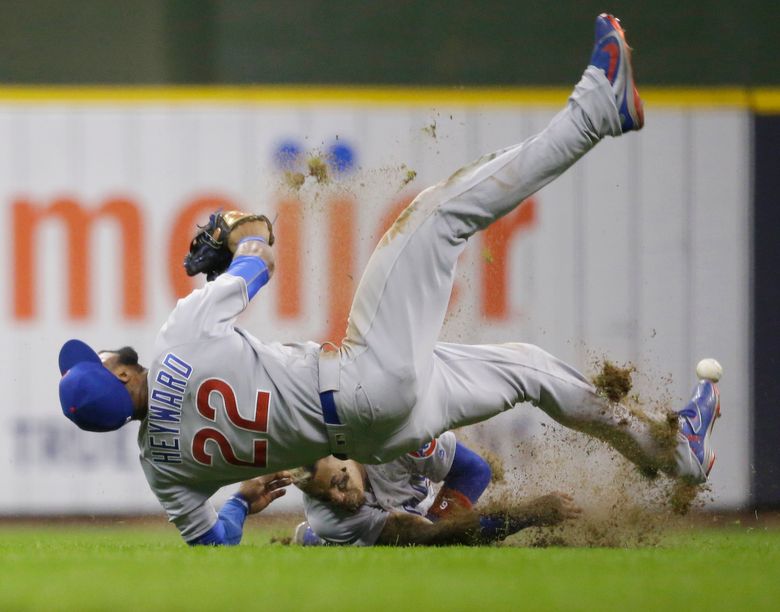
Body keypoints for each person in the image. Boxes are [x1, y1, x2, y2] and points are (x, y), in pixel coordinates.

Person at [57, 14, 721, 546]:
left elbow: (211, 543)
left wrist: (239, 501)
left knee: (529, 369)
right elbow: (261, 246)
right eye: (104, 360)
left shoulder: (163, 471)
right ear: (119, 377)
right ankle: (597, 110)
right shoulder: (180, 337)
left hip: (376, 435)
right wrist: (229, 233)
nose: (110, 353)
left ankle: (674, 454)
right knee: (438, 214)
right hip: (360, 380)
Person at [291, 432, 582, 546]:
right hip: (380, 531)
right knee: (433, 539)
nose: (339, 499)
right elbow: (428, 535)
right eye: (324, 497)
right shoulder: (327, 516)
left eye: (339, 484)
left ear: (342, 454)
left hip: (422, 509)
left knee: (442, 531)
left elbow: (474, 470)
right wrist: (526, 515)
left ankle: (312, 541)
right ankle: (314, 539)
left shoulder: (393, 437)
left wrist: (443, 521)